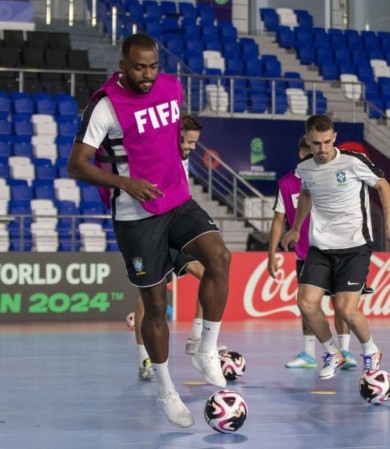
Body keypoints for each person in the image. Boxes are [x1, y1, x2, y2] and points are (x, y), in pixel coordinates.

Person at [67, 33, 231, 428]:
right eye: (139, 67)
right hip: (135, 216)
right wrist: (125, 183)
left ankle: (206, 349)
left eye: (153, 66)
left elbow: (164, 138)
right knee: (156, 307)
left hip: (177, 201)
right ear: (123, 66)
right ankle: (165, 390)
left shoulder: (172, 87)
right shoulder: (105, 106)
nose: (148, 74)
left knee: (219, 258)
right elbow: (77, 164)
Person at [281, 115, 390, 380]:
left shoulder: (352, 161)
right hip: (320, 247)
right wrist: (296, 227)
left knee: (346, 310)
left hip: (354, 246)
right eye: (316, 144)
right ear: (308, 142)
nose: (322, 149)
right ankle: (331, 352)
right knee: (306, 303)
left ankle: (371, 351)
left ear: (334, 137)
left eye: (326, 142)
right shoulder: (305, 167)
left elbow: (383, 185)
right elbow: (305, 193)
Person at [134, 116, 223, 382]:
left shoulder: (183, 158)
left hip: (174, 230)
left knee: (212, 272)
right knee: (147, 299)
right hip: (149, 231)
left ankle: (197, 338)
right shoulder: (155, 154)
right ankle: (145, 359)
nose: (190, 147)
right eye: (186, 140)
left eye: (194, 142)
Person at [267, 136, 358, 370]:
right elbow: (278, 220)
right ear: (301, 153)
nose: (316, 155)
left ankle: (345, 350)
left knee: (341, 302)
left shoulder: (331, 175)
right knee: (307, 305)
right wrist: (271, 255)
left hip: (336, 249)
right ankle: (309, 354)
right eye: (309, 151)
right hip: (305, 254)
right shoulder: (286, 184)